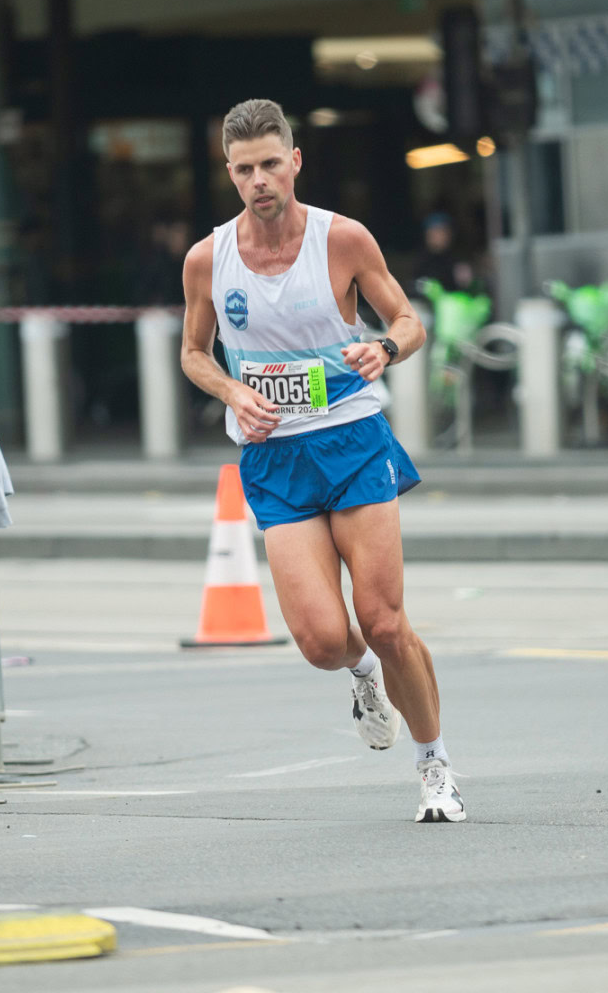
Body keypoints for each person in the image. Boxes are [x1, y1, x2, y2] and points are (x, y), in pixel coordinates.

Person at [179, 98, 461, 823]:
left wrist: (386, 348)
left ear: (295, 161)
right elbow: (192, 352)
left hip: (352, 440)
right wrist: (232, 391)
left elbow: (408, 319)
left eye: (271, 164)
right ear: (230, 173)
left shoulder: (342, 240)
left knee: (386, 620)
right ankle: (363, 676)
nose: (259, 180)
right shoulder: (209, 258)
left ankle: (434, 765)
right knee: (323, 640)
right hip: (276, 457)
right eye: (244, 169)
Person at [414, 211, 474, 293]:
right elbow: (416, 287)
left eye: (442, 232)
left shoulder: (458, 259)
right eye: (434, 232)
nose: (438, 236)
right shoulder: (421, 260)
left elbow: (468, 287)